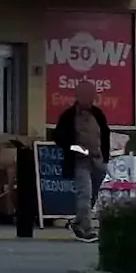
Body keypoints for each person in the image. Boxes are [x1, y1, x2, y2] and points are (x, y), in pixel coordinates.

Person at [52, 79, 110, 243]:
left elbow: (105, 134)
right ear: (77, 96)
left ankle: (78, 221)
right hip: (80, 161)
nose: (89, 98)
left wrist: (104, 156)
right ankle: (87, 228)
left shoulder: (98, 114)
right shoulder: (68, 116)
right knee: (84, 194)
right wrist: (74, 148)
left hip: (97, 160)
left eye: (91, 95)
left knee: (92, 195)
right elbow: (58, 137)